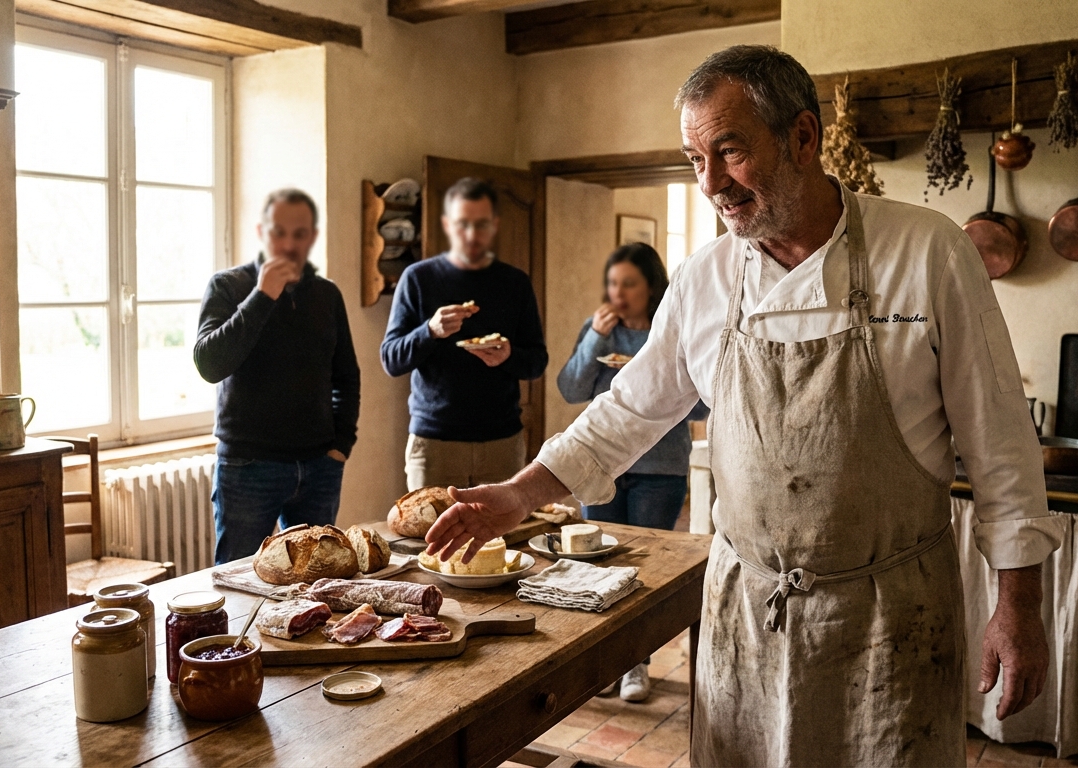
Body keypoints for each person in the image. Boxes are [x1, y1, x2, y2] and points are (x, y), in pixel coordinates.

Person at [424, 45, 1063, 767]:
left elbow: (1001, 446)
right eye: (696, 159)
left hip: (891, 615)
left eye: (729, 151)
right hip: (746, 615)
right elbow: (627, 411)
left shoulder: (926, 254)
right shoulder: (705, 279)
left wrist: (1020, 607)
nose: (712, 183)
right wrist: (519, 494)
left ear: (802, 138)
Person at [556, 242, 709, 702]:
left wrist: (656, 392)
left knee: (642, 570)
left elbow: (700, 402)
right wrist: (594, 340)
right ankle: (604, 661)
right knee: (597, 566)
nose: (617, 294)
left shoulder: (672, 329)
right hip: (601, 469)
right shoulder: (599, 330)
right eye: (612, 283)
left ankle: (637, 665)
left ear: (651, 287)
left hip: (659, 470)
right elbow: (570, 389)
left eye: (628, 284)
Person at [194, 188, 360, 565]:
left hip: (319, 467)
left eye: (299, 234)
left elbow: (347, 376)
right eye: (278, 232)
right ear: (261, 232)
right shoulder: (228, 286)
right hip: (249, 468)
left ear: (312, 237)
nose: (288, 243)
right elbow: (209, 364)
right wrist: (262, 296)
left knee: (316, 586)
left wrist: (340, 447)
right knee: (237, 582)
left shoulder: (327, 295)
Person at [380, 177, 547, 491]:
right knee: (433, 540)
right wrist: (429, 331)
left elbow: (537, 362)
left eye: (481, 224)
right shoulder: (417, 278)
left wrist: (509, 355)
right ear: (446, 224)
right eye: (463, 224)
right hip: (434, 443)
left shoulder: (515, 283)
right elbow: (391, 359)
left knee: (504, 541)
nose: (472, 235)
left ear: (494, 224)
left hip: (502, 442)